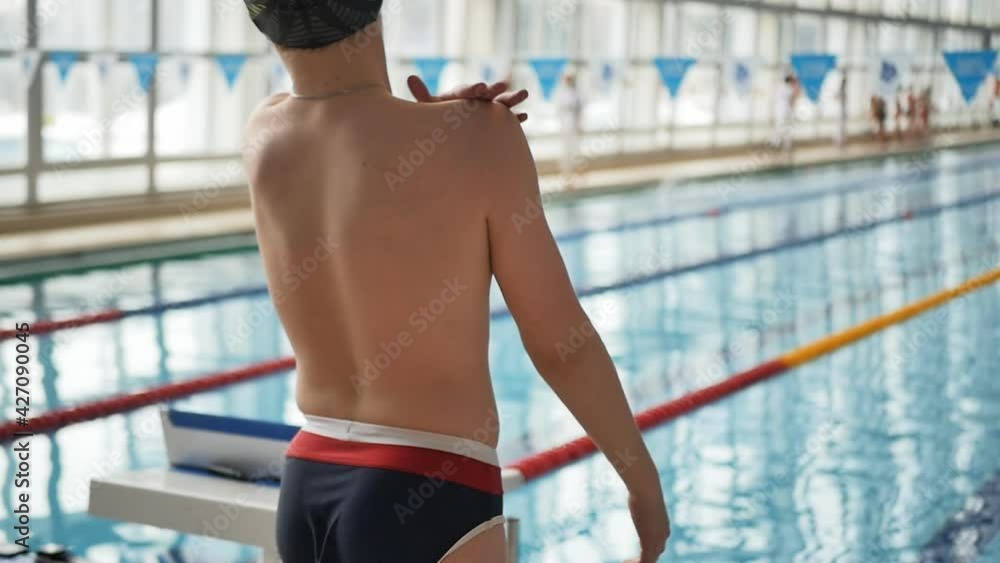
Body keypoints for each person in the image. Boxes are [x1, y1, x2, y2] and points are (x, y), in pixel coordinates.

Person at [240, 2, 670, 563]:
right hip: (430, 487)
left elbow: (346, 138)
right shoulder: (478, 135)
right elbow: (560, 343)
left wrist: (437, 127)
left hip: (307, 486)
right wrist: (643, 484)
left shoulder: (263, 134)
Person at [558, 72, 584, 188]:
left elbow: (579, 112)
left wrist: (580, 126)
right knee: (565, 152)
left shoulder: (576, 95)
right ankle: (566, 175)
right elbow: (559, 111)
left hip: (573, 126)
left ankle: (576, 174)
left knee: (575, 151)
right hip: (565, 127)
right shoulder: (562, 95)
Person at [774, 74, 799, 152]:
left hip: (780, 110)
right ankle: (785, 146)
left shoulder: (780, 87)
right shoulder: (788, 88)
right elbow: (793, 97)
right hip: (785, 110)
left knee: (780, 127)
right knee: (787, 128)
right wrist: (796, 85)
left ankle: (778, 145)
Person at [834, 70, 848, 147]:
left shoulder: (843, 90)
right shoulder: (840, 90)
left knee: (842, 127)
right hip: (840, 111)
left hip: (842, 110)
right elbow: (835, 97)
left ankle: (841, 141)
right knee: (840, 127)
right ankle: (839, 142)